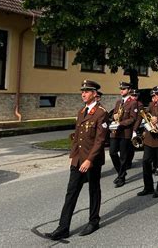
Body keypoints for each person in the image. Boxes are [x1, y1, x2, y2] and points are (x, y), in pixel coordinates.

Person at [45, 80, 108, 240]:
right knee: (71, 193)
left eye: (87, 91)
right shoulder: (81, 112)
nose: (83, 94)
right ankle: (63, 228)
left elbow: (100, 141)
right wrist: (73, 156)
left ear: (94, 94)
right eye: (82, 91)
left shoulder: (101, 113)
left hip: (91, 161)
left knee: (94, 190)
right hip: (78, 160)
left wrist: (89, 160)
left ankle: (94, 221)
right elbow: (77, 137)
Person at [110, 81, 138, 188]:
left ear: (129, 90)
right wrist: (114, 117)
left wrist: (120, 124)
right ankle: (121, 172)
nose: (122, 91)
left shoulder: (133, 102)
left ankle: (121, 178)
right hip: (115, 132)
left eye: (124, 89)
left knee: (123, 156)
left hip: (125, 132)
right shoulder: (118, 102)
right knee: (112, 152)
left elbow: (133, 118)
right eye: (121, 89)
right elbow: (114, 114)